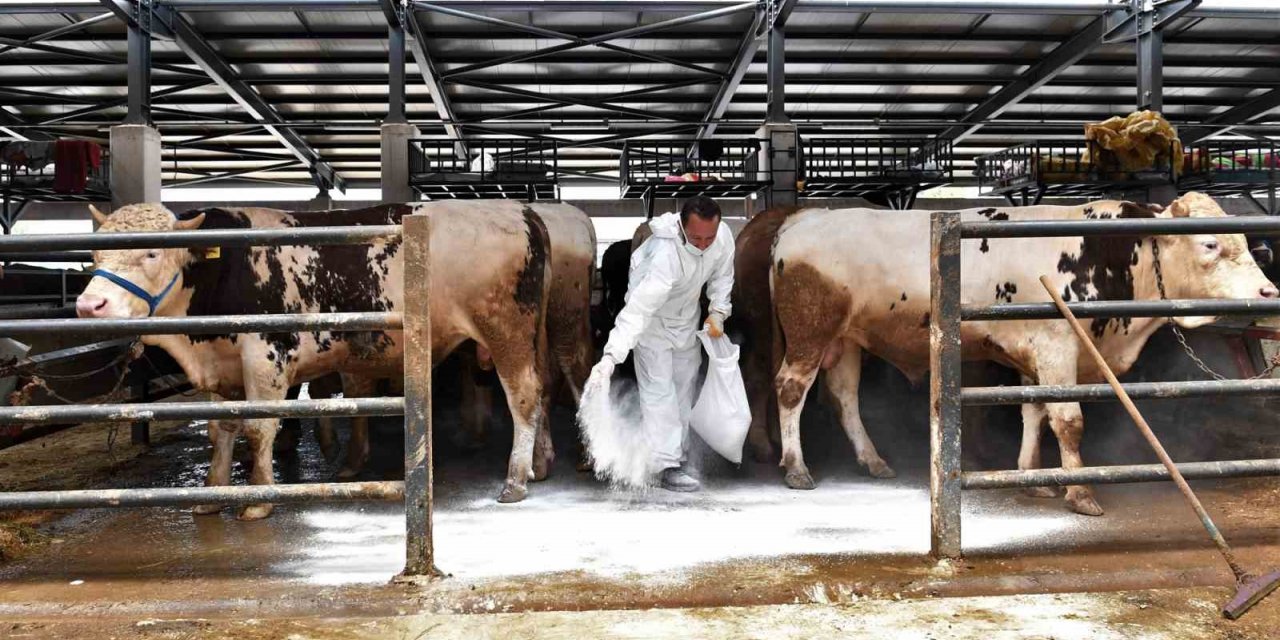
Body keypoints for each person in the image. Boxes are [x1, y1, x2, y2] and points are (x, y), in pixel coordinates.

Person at [585, 196, 734, 492]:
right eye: (696, 238)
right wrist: (611, 357)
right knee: (659, 393)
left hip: (686, 323)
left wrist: (718, 310)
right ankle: (665, 465)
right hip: (651, 327)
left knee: (683, 390)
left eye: (709, 237)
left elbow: (723, 275)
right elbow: (637, 310)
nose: (704, 244)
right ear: (681, 226)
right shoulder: (663, 256)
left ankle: (677, 456)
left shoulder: (723, 237)